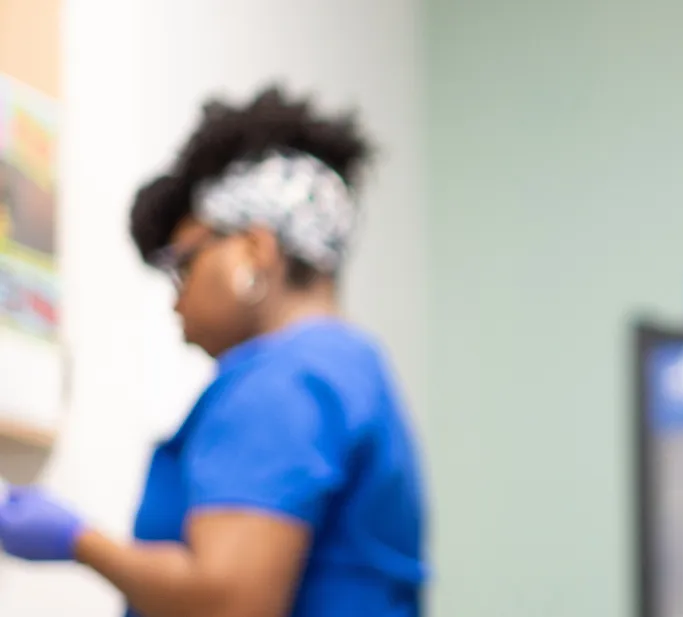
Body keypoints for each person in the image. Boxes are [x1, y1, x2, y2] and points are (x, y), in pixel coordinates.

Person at [0, 86, 427, 617]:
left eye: (184, 263)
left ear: (254, 248)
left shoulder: (284, 380)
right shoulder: (351, 367)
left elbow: (231, 603)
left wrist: (78, 541)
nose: (177, 300)